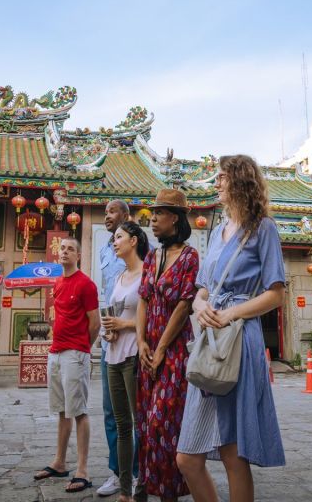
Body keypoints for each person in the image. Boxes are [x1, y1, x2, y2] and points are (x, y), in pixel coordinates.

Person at [176, 154, 286, 502]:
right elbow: (204, 286)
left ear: (240, 181)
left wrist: (231, 313)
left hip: (240, 339)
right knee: (187, 459)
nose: (217, 183)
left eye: (222, 176)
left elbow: (275, 294)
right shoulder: (218, 230)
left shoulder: (263, 228)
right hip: (209, 338)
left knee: (232, 453)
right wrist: (199, 305)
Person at [135, 189, 199, 502]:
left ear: (174, 218)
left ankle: (170, 493)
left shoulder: (190, 257)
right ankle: (152, 488)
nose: (153, 219)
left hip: (174, 350)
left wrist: (160, 348)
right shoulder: (151, 256)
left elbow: (184, 306)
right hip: (148, 350)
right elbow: (143, 301)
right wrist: (141, 342)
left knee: (165, 421)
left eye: (159, 214)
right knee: (147, 424)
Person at [34, 237, 100, 493]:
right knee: (62, 410)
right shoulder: (58, 282)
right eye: (62, 248)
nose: (65, 252)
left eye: (70, 249)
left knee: (80, 411)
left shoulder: (86, 284)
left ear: (79, 256)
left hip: (76, 353)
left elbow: (94, 323)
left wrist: (84, 348)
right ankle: (59, 462)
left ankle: (82, 469)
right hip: (56, 352)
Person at [102, 221, 149, 502]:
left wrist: (125, 324)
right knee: (122, 425)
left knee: (139, 424)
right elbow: (116, 314)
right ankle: (124, 490)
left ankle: (143, 485)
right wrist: (110, 330)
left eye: (119, 237)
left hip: (134, 355)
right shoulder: (119, 277)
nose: (114, 242)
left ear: (133, 241)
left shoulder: (147, 274)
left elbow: (151, 319)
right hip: (113, 354)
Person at [97, 199, 130, 497]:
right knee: (110, 411)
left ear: (125, 216)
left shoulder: (138, 246)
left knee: (133, 412)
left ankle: (136, 471)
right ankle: (117, 471)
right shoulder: (104, 250)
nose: (106, 217)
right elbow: (106, 294)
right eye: (105, 213)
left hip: (131, 338)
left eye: (111, 212)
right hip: (109, 339)